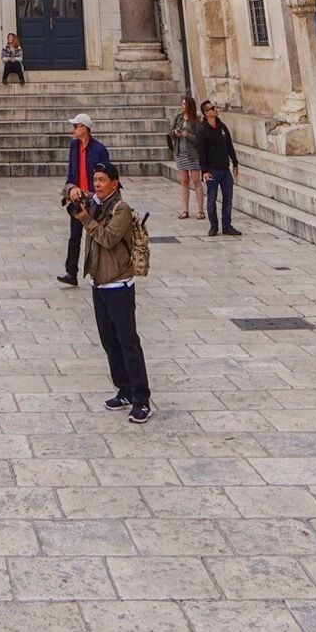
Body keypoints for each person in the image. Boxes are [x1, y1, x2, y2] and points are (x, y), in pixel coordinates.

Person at [68, 164, 151, 423]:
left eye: (102, 180)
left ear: (115, 183)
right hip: (99, 284)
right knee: (109, 341)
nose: (98, 183)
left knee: (128, 342)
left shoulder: (121, 210)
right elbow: (65, 191)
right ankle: (124, 389)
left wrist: (84, 218)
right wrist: (72, 191)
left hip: (118, 285)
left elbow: (107, 238)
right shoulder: (96, 203)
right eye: (95, 179)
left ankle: (141, 398)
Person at [59, 114, 111, 286]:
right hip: (77, 198)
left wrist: (99, 196)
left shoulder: (99, 149)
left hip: (93, 199)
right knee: (74, 236)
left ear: (84, 128)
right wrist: (71, 188)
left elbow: (105, 176)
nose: (73, 130)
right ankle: (71, 273)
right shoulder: (74, 146)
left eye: (76, 126)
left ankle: (99, 273)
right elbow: (71, 171)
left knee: (95, 237)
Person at [198, 100, 239, 235]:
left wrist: (235, 162)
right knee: (211, 199)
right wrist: (204, 171)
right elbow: (201, 152)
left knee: (228, 199)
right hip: (212, 170)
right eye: (212, 108)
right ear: (206, 113)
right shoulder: (202, 130)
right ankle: (214, 225)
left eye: (215, 107)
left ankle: (227, 225)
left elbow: (229, 145)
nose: (215, 110)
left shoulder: (222, 127)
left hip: (224, 169)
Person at [170, 95, 204, 221]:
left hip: (193, 154)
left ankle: (200, 210)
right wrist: (175, 133)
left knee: (196, 181)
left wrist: (186, 134)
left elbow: (199, 139)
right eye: (182, 104)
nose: (182, 106)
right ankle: (185, 209)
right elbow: (170, 132)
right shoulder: (178, 118)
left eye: (184, 104)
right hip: (181, 152)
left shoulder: (195, 121)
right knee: (184, 181)